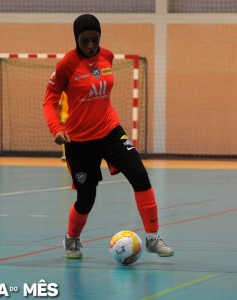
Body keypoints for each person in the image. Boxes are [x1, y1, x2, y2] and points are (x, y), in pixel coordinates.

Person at [43, 14, 174, 259]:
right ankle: (72, 239)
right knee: (86, 197)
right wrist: (56, 128)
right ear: (76, 39)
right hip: (79, 140)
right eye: (85, 41)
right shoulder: (66, 65)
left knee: (139, 174)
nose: (91, 46)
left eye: (95, 39)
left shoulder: (107, 56)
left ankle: (153, 238)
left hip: (111, 130)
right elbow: (49, 100)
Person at [57, 92, 68, 161]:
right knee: (64, 135)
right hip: (65, 116)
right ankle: (65, 154)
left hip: (75, 116)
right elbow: (59, 105)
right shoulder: (63, 92)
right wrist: (58, 117)